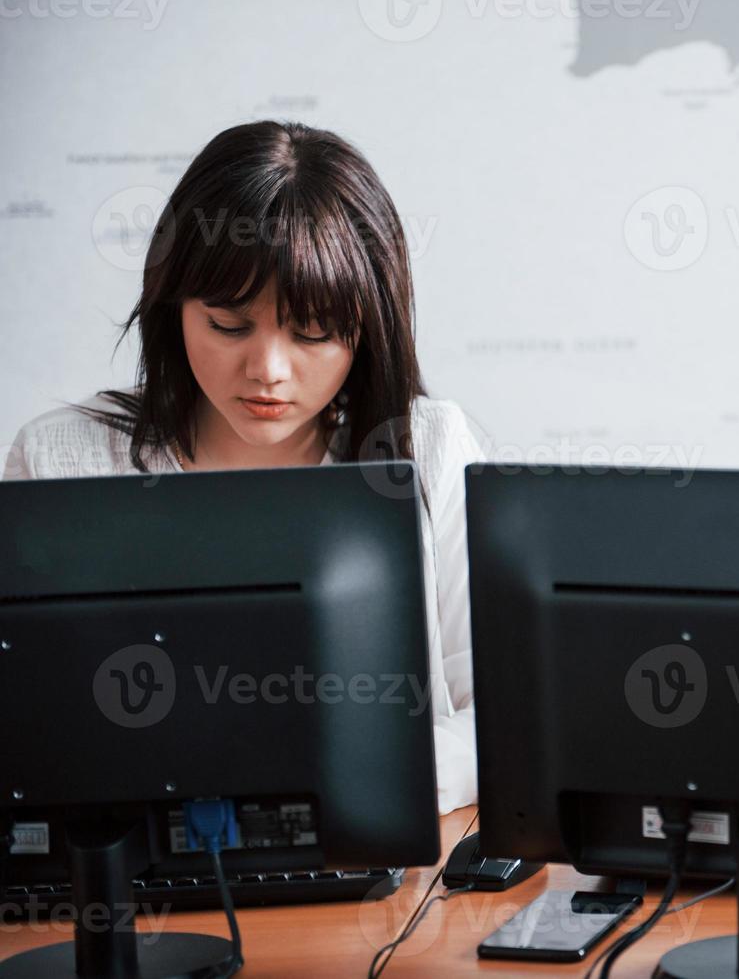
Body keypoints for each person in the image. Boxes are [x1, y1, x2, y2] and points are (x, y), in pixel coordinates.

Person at [3, 120, 483, 813]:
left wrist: (390, 779)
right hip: (133, 876)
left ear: (367, 329)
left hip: (384, 877)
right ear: (172, 310)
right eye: (229, 325)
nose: (268, 372)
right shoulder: (58, 460)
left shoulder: (427, 447)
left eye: (313, 332)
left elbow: (499, 707)